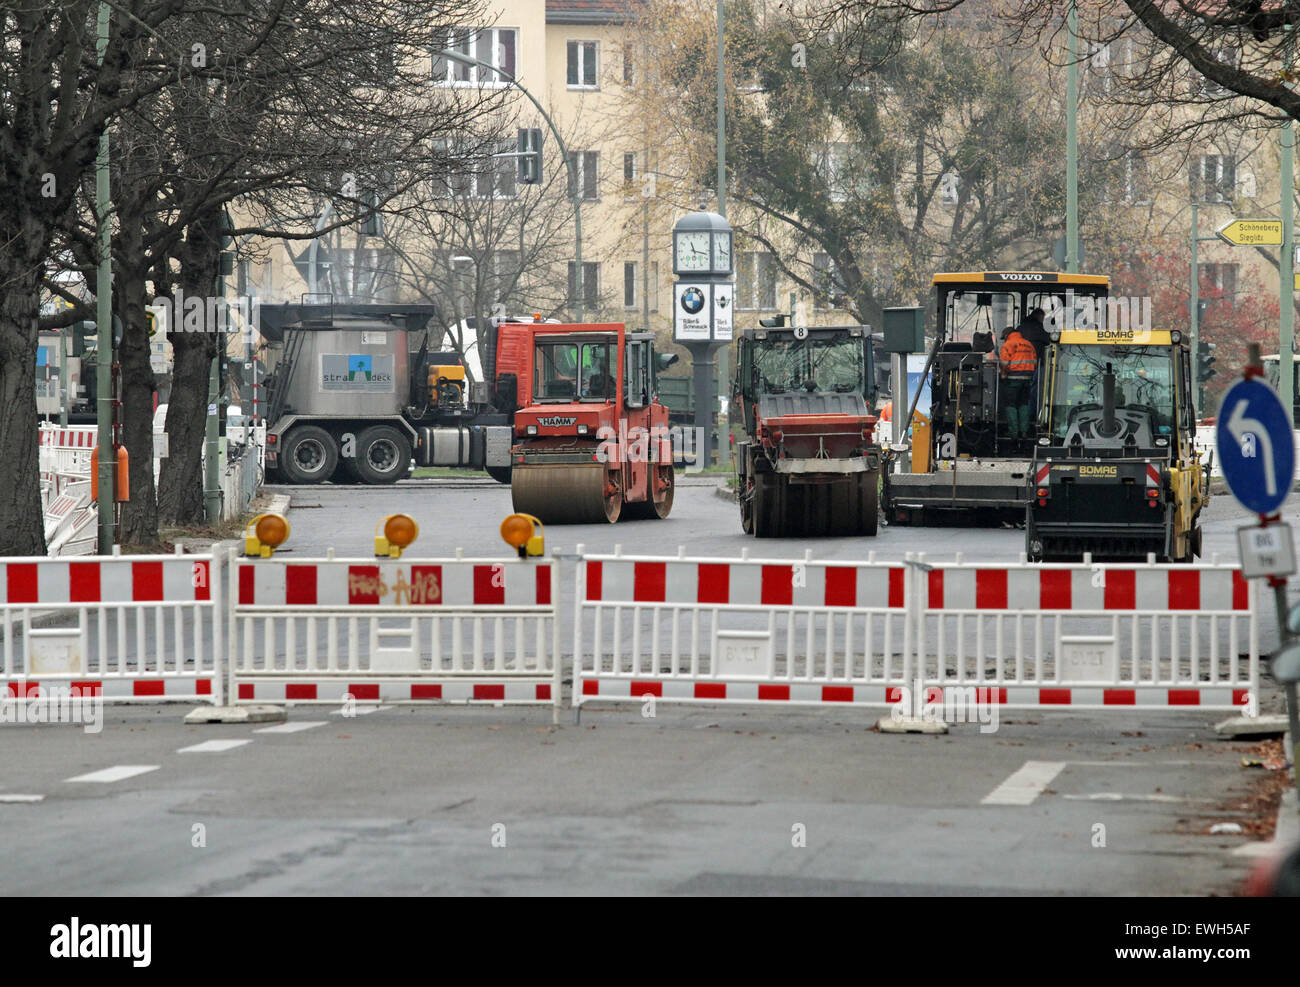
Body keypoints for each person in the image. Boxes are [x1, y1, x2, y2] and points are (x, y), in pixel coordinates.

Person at [998, 325, 1037, 439]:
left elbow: (1004, 363)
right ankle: (1024, 431)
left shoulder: (1008, 344)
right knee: (1023, 404)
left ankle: (1014, 433)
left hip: (1013, 379)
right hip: (1027, 378)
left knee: (1011, 405)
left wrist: (1004, 374)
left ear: (1006, 335)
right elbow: (1034, 362)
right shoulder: (1029, 344)